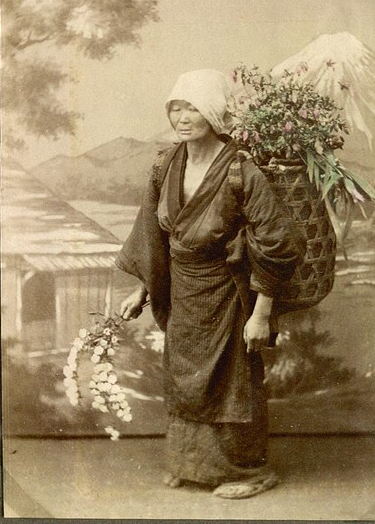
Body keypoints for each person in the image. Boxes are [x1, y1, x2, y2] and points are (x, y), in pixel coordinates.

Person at [116, 69, 306, 499]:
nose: (182, 117)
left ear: (215, 112)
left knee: (232, 378)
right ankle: (195, 465)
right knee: (186, 377)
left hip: (229, 293)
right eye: (175, 107)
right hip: (183, 292)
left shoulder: (242, 171)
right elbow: (153, 233)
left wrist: (261, 314)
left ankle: (249, 472)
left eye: (193, 107)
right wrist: (143, 289)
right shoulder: (165, 164)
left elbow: (276, 244)